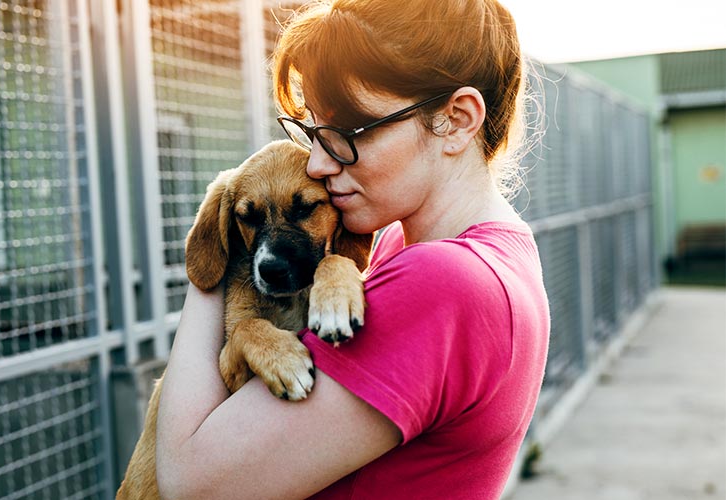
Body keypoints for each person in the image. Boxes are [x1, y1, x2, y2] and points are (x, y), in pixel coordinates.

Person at [155, 0, 550, 498]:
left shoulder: (442, 281)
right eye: (313, 131)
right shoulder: (458, 250)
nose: (317, 164)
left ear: (455, 120)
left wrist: (224, 244)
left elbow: (190, 484)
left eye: (346, 131)